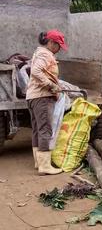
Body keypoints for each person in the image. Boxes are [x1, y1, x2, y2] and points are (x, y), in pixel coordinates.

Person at [26, 30, 68, 175]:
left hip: (34, 96)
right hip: (42, 97)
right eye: (58, 46)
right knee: (45, 129)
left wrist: (56, 84)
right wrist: (51, 85)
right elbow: (36, 71)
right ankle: (45, 166)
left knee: (38, 129)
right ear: (51, 42)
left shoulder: (40, 52)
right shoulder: (45, 54)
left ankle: (39, 163)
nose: (59, 49)